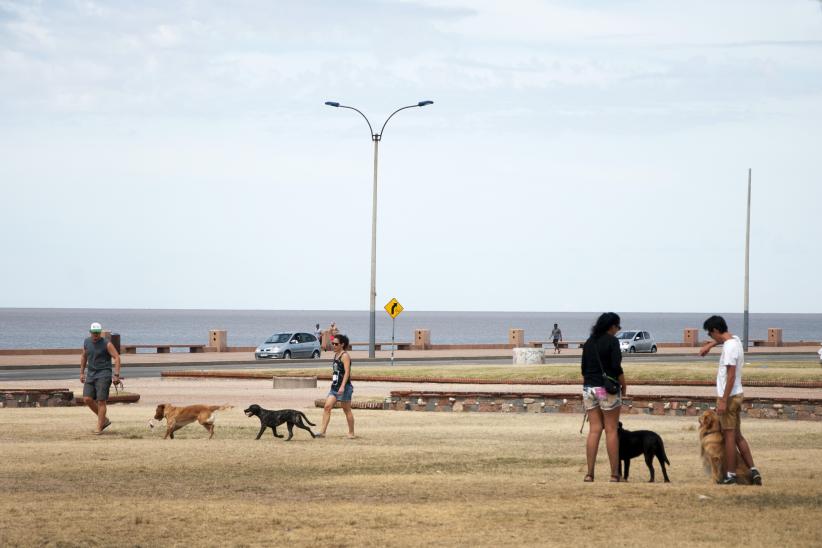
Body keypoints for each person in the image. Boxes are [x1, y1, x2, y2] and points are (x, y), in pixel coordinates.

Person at [699, 315, 762, 485]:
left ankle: (731, 475)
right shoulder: (735, 341)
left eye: (711, 335)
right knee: (737, 436)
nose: (711, 338)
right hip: (737, 394)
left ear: (716, 330)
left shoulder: (729, 348)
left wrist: (723, 400)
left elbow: (731, 375)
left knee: (728, 436)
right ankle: (754, 471)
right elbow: (728, 338)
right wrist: (711, 345)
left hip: (730, 396)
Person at [580, 312, 626, 482]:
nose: (618, 330)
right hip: (605, 389)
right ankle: (614, 474)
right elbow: (616, 367)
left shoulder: (589, 342)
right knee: (611, 429)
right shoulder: (612, 342)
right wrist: (624, 384)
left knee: (594, 429)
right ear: (611, 326)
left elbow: (584, 369)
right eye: (618, 326)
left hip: (589, 388)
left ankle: (589, 473)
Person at [80, 322, 121, 434]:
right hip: (91, 374)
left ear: (100, 332)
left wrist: (116, 375)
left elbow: (116, 357)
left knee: (101, 401)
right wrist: (82, 373)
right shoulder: (86, 342)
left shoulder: (106, 344)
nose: (96, 335)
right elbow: (84, 357)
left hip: (104, 374)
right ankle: (104, 420)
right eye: (94, 333)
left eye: (98, 332)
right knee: (87, 399)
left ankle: (99, 426)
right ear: (90, 332)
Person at [317, 334, 355, 439]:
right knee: (327, 407)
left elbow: (347, 372)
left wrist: (342, 386)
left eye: (336, 344)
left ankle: (351, 433)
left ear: (342, 344)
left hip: (345, 388)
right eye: (333, 343)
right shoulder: (336, 355)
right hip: (334, 387)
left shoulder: (345, 356)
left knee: (346, 410)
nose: (334, 345)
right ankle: (322, 432)